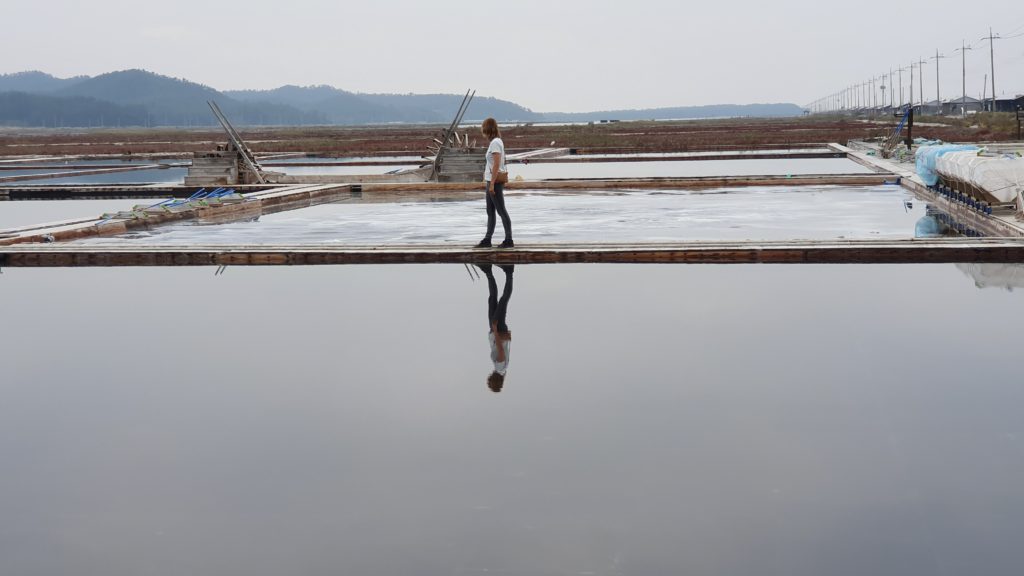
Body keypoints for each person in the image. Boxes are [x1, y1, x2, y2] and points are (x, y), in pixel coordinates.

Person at [475, 118, 514, 249]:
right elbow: (493, 163)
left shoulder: (495, 143)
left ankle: (509, 240)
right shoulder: (495, 142)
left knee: (501, 210)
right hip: (490, 180)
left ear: (487, 129)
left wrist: (491, 184)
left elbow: (497, 163)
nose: (483, 132)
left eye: (483, 129)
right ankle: (487, 239)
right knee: (490, 211)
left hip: (495, 182)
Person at [477, 264, 514, 392]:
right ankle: (509, 273)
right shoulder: (499, 367)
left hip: (497, 330)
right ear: (493, 379)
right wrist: (495, 329)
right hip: (497, 329)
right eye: (490, 381)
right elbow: (501, 351)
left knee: (492, 299)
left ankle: (488, 271)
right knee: (502, 301)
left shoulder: (503, 369)